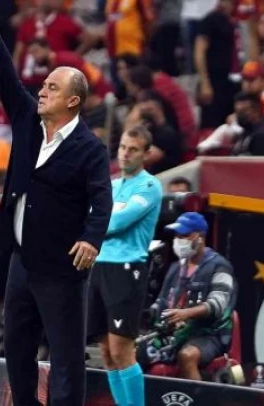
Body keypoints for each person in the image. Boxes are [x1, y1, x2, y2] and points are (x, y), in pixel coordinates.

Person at [0, 0, 114, 404]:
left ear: (73, 101)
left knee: (66, 357)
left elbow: (102, 197)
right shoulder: (26, 120)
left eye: (52, 87)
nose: (42, 90)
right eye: (44, 85)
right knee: (16, 348)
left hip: (61, 267)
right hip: (21, 260)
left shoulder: (90, 148)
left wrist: (91, 238)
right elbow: (4, 73)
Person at [87, 126, 162, 406]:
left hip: (126, 269)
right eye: (122, 147)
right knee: (106, 352)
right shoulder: (112, 186)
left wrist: (96, 223)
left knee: (122, 351)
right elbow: (89, 216)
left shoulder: (150, 186)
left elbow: (118, 221)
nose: (125, 154)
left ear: (146, 154)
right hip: (98, 266)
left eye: (133, 149)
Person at [138, 212, 236, 381]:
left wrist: (186, 314)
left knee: (187, 356)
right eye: (177, 235)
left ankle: (196, 396)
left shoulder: (220, 267)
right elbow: (161, 302)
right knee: (133, 351)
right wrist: (149, 314)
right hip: (172, 334)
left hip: (209, 335)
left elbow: (218, 304)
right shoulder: (175, 267)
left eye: (184, 235)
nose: (178, 240)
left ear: (200, 237)